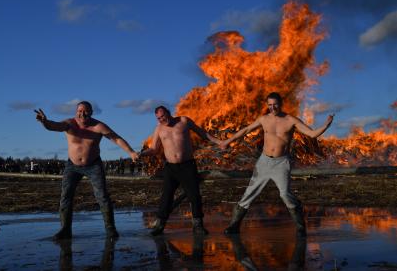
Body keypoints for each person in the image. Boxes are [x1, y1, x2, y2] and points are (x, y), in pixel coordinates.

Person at [220, 92, 334, 237]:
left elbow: (312, 134)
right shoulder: (264, 119)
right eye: (269, 105)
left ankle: (300, 227)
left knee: (285, 194)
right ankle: (234, 226)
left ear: (281, 104)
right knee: (249, 193)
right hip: (264, 162)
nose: (272, 108)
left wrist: (326, 125)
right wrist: (227, 142)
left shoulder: (290, 120)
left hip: (281, 163)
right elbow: (246, 130)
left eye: (275, 105)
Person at [35, 101, 138, 240]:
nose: (82, 113)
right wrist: (45, 122)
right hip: (72, 166)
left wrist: (131, 152)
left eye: (85, 111)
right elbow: (54, 126)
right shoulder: (69, 124)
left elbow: (116, 138)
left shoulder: (98, 126)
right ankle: (65, 230)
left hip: (93, 165)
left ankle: (111, 230)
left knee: (102, 196)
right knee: (66, 196)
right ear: (76, 111)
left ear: (91, 112)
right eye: (79, 111)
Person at [140, 106, 222, 236]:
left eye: (163, 116)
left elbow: (202, 133)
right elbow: (154, 149)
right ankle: (160, 225)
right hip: (171, 168)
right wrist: (141, 154)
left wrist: (219, 142)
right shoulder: (159, 129)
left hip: (187, 166)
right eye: (159, 118)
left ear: (168, 113)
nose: (161, 119)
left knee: (194, 196)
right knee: (166, 197)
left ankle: (198, 226)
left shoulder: (184, 121)